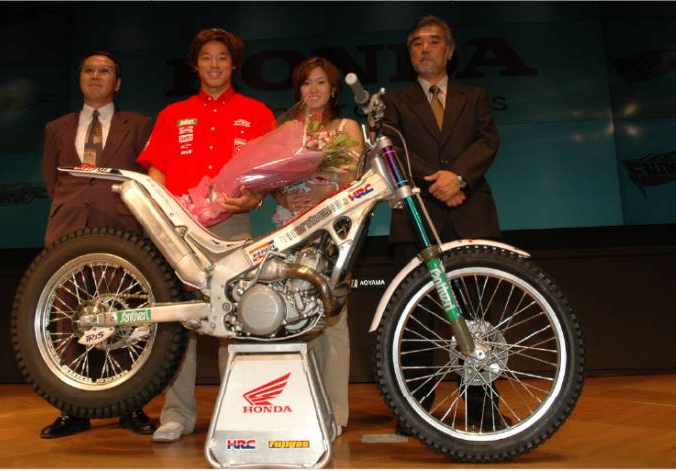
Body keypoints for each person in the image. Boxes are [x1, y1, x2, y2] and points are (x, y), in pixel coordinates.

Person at [136, 28, 276, 442]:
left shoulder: (257, 113)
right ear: (195, 65)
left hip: (233, 228)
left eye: (222, 58)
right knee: (181, 322)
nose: (214, 64)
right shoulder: (172, 115)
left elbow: (269, 175)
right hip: (180, 233)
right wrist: (165, 213)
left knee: (234, 320)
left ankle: (237, 413)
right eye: (206, 58)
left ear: (233, 65)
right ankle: (177, 414)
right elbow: (156, 169)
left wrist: (253, 198)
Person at [383, 15, 502, 431]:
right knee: (414, 319)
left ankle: (483, 410)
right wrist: (439, 183)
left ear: (449, 50)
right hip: (416, 215)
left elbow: (488, 141)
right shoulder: (394, 102)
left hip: (471, 212)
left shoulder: (476, 96)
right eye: (417, 42)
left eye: (433, 41)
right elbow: (390, 148)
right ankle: (415, 413)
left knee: (477, 317)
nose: (425, 48)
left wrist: (458, 178)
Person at [38, 51, 156, 439]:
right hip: (67, 231)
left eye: (104, 71)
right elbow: (53, 182)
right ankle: (73, 408)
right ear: (80, 79)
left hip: (119, 229)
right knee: (69, 315)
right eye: (88, 70)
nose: (95, 75)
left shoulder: (138, 124)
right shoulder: (56, 128)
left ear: (116, 82)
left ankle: (129, 404)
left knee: (123, 314)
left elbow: (146, 178)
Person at [271, 57, 365, 435]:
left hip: (332, 231)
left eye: (321, 82)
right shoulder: (285, 130)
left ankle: (335, 412)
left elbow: (354, 175)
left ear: (334, 89)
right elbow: (268, 177)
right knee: (293, 317)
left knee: (333, 320)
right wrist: (281, 194)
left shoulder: (347, 127)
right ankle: (300, 408)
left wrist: (323, 186)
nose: (313, 89)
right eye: (307, 82)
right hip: (290, 231)